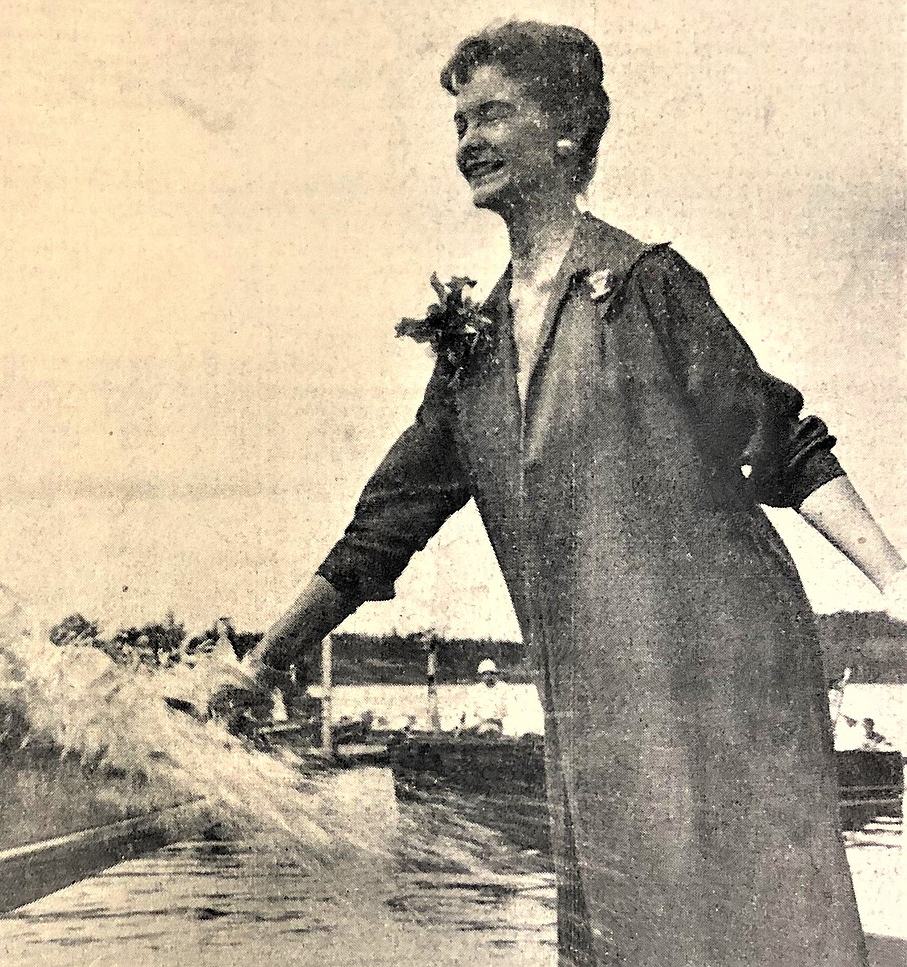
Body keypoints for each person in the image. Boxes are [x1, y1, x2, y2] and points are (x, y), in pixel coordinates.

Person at [207, 20, 907, 967]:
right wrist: (260, 665)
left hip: (728, 673)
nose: (468, 141)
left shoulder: (646, 285)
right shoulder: (473, 348)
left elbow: (781, 442)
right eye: (458, 122)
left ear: (566, 130)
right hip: (599, 700)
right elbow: (380, 534)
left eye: (492, 113)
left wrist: (894, 579)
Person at [461, 658, 509, 734]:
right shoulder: (475, 690)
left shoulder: (503, 688)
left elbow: (506, 710)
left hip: (497, 723)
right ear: (480, 676)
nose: (489, 676)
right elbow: (470, 711)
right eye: (485, 674)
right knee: (470, 723)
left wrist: (495, 719)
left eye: (491, 673)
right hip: (479, 723)